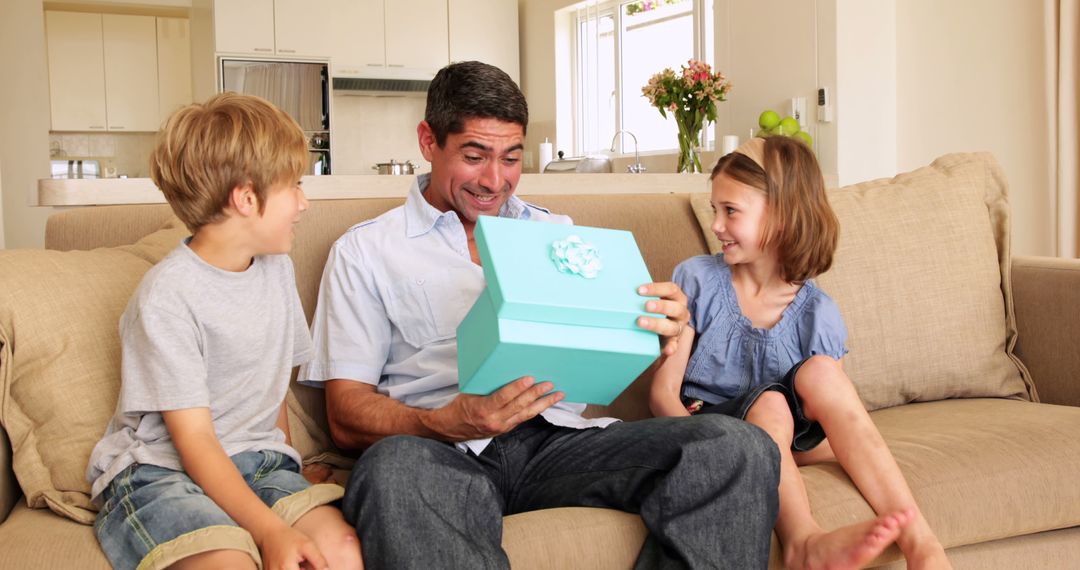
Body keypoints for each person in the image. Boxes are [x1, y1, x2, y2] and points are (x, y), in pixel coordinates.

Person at [300, 60, 780, 568]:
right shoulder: (366, 251)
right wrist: (442, 422)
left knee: (735, 446)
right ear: (427, 141)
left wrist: (659, 333)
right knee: (392, 469)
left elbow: (601, 355)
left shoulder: (558, 233)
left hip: (558, 444)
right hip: (438, 452)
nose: (494, 180)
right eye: (474, 155)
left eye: (510, 158)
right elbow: (345, 415)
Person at [85, 93, 363, 570]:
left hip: (254, 462)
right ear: (246, 198)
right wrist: (272, 530)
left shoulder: (275, 266)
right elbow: (194, 442)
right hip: (161, 471)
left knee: (340, 552)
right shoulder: (167, 297)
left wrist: (287, 464)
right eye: (293, 186)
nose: (304, 202)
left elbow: (271, 390)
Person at [650, 136, 951, 570]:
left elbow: (829, 432)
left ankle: (921, 540)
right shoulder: (696, 280)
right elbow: (662, 396)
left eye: (730, 211)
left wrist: (779, 445)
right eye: (715, 208)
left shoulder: (818, 313)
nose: (716, 224)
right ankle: (802, 542)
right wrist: (718, 452)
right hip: (709, 429)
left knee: (822, 375)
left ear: (783, 214)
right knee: (771, 403)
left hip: (779, 434)